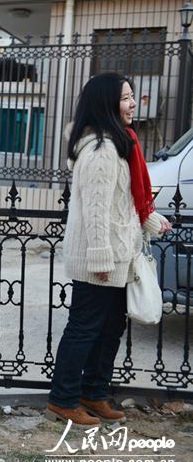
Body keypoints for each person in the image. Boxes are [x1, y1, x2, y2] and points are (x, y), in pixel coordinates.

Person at [47, 72, 171, 428]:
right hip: (99, 257)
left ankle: (94, 392)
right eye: (126, 98)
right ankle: (64, 399)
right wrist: (101, 257)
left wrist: (149, 221)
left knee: (111, 327)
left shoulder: (121, 142)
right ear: (105, 104)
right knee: (85, 328)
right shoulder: (101, 150)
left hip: (120, 253)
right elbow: (95, 211)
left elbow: (123, 201)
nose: (133, 104)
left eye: (132, 97)